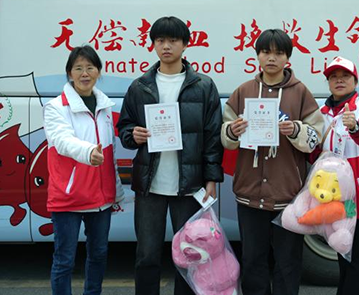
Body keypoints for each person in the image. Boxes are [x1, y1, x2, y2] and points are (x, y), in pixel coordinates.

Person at [116, 16, 224, 295]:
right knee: (147, 255)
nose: (166, 46)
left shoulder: (203, 86)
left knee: (189, 255)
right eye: (160, 40)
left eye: (173, 40)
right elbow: (124, 127)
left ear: (185, 44)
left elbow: (212, 136)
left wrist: (211, 178)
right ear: (153, 45)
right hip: (150, 185)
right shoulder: (140, 86)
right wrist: (133, 135)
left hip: (189, 185)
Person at [221, 29, 324, 295]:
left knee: (288, 262)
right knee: (252, 260)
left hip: (288, 195)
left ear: (287, 58)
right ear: (257, 55)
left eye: (279, 53)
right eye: (266, 52)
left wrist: (296, 130)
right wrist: (233, 130)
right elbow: (225, 137)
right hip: (249, 193)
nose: (271, 58)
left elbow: (315, 137)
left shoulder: (301, 93)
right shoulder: (243, 92)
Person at [43, 45, 125, 295]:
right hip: (68, 196)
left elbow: (110, 155)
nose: (85, 73)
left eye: (90, 67)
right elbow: (62, 140)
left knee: (99, 254)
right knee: (64, 260)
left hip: (101, 198)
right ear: (70, 73)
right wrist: (88, 152)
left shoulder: (105, 106)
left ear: (99, 71)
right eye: (78, 68)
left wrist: (116, 191)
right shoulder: (56, 107)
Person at [312, 56, 359, 295]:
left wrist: (355, 127)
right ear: (328, 82)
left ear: (355, 81)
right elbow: (314, 152)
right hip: (332, 196)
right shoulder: (321, 113)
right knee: (342, 252)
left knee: (357, 255)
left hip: (356, 199)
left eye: (345, 76)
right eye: (334, 77)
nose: (339, 80)